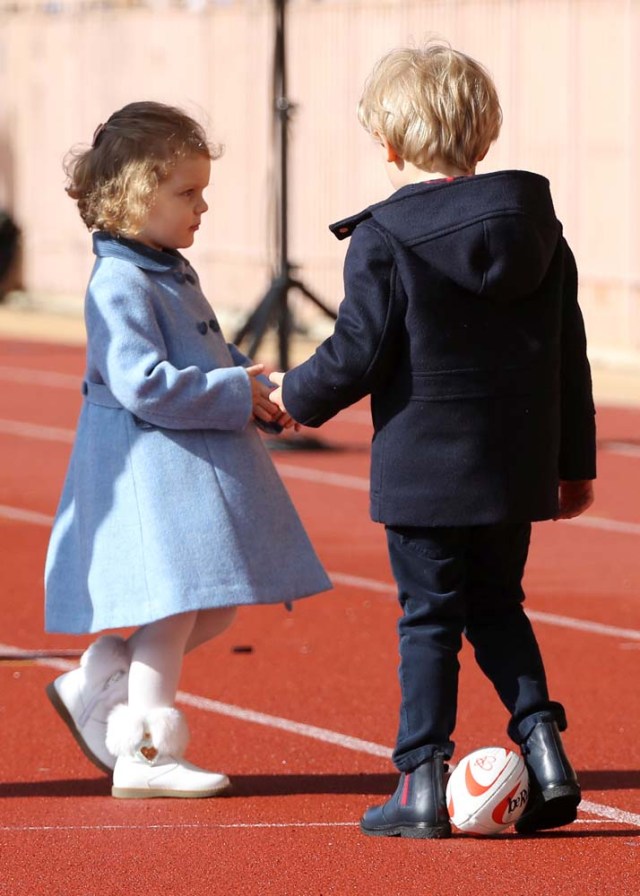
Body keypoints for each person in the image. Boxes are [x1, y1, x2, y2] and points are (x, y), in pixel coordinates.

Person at [269, 44, 596, 838]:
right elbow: (568, 358)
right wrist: (574, 466)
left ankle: (420, 781)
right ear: (483, 136)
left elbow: (359, 350)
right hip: (512, 468)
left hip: (426, 470)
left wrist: (290, 398)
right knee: (498, 605)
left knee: (429, 622)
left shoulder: (385, 237)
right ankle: (546, 750)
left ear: (387, 144)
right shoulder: (541, 232)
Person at [44, 101, 331, 799]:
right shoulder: (118, 281)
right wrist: (231, 389)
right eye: (187, 193)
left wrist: (249, 383)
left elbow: (201, 348)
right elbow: (142, 382)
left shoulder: (167, 267)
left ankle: (102, 674)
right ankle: (144, 748)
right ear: (135, 194)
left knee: (219, 607)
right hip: (148, 471)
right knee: (175, 609)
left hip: (186, 466)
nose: (202, 207)